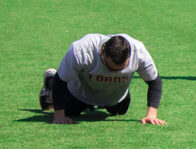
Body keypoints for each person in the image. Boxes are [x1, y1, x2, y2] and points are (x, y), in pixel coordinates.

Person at [38, 33, 166, 125]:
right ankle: (50, 82)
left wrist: (151, 114)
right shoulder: (82, 50)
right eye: (111, 68)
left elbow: (154, 82)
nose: (115, 73)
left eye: (120, 70)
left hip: (115, 97)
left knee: (120, 111)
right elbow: (61, 81)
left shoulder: (139, 52)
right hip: (80, 92)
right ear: (102, 51)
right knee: (70, 111)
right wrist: (59, 115)